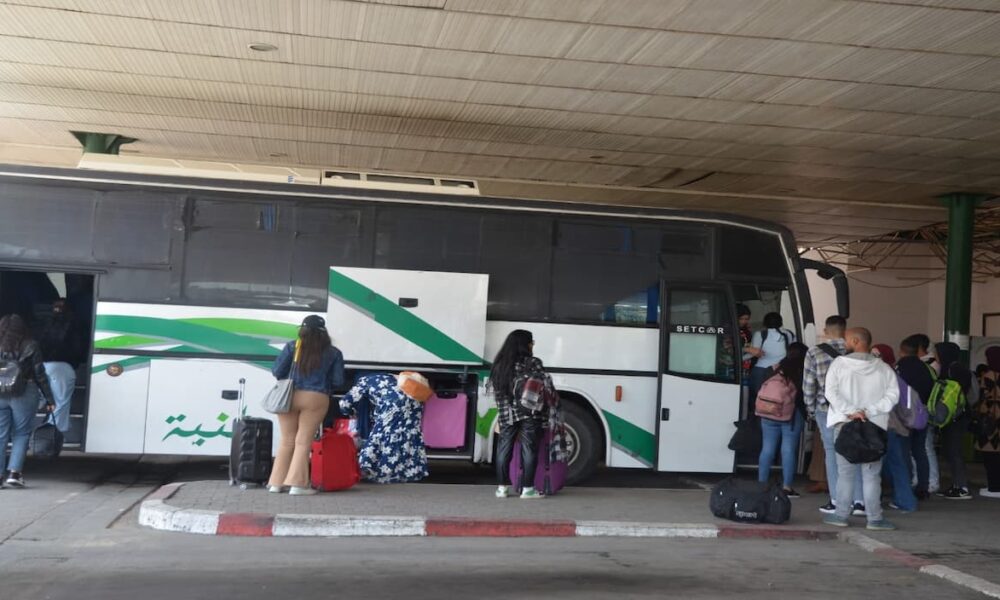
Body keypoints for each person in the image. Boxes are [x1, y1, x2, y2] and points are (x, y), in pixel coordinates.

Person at [822, 327, 899, 531]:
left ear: (856, 341)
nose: (844, 343)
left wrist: (851, 411)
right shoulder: (883, 368)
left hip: (844, 424)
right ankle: (875, 519)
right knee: (872, 475)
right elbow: (893, 396)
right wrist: (869, 411)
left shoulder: (839, 364)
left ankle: (840, 515)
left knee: (845, 474)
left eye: (847, 340)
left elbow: (830, 392)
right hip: (874, 426)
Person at [267, 315, 345, 496]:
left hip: (289, 396)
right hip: (316, 398)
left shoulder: (292, 346)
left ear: (302, 330)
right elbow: (338, 381)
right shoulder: (334, 353)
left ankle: (276, 484)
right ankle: (297, 485)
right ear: (324, 332)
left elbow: (276, 371)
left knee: (286, 440)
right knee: (303, 441)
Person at [803, 316, 863, 515]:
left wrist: (811, 409)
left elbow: (809, 385)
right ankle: (859, 501)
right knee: (855, 452)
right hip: (855, 410)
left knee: (832, 452)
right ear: (845, 331)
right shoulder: (857, 350)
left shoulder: (814, 352)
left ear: (825, 331)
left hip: (826, 409)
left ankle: (837, 500)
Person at [490, 329, 552, 500]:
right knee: (529, 449)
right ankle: (527, 489)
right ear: (526, 344)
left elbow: (497, 391)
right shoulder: (533, 363)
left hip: (506, 413)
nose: (533, 345)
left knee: (504, 449)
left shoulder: (500, 364)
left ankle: (502, 489)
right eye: (532, 342)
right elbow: (543, 385)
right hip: (529, 411)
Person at [339, 372, 431, 484]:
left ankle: (372, 469)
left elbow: (345, 403)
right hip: (415, 402)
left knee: (383, 433)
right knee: (408, 432)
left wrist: (351, 413)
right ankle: (405, 472)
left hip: (392, 408)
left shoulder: (364, 381)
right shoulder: (399, 377)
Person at [0, 314, 56, 488]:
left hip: (0, 392)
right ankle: (14, 474)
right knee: (21, 433)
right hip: (24, 391)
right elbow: (40, 374)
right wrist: (49, 399)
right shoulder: (31, 345)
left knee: (0, 434)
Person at [757, 342, 808, 497]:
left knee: (767, 449)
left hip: (768, 413)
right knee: (788, 450)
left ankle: (762, 485)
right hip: (791, 417)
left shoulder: (772, 369)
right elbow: (802, 398)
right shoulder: (802, 373)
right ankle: (787, 487)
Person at [872, 344, 917, 512]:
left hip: (880, 424)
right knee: (898, 465)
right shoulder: (896, 375)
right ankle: (906, 500)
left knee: (872, 467)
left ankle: (871, 502)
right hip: (896, 426)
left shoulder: (876, 375)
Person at [34, 299, 82, 435]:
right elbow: (78, 349)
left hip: (43, 366)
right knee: (60, 404)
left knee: (42, 400)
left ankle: (37, 430)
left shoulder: (45, 323)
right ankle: (50, 436)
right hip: (63, 368)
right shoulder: (75, 326)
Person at [934, 341, 975, 500]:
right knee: (951, 451)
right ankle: (957, 485)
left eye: (937, 352)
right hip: (956, 415)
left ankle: (962, 487)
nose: (936, 356)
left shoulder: (953, 370)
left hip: (955, 416)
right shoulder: (958, 368)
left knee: (954, 451)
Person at [901, 333, 940, 494]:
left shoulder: (926, 364)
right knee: (922, 448)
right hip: (924, 409)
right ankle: (923, 480)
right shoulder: (928, 365)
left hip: (917, 410)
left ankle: (931, 481)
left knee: (924, 447)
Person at [748, 312, 795, 406]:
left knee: (758, 397)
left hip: (761, 370)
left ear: (764, 323)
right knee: (780, 396)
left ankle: (759, 413)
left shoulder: (760, 334)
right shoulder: (789, 334)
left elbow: (754, 353)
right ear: (781, 322)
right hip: (781, 370)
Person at [975, 347, 1000, 498]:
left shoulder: (989, 376)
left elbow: (983, 399)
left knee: (990, 456)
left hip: (991, 422)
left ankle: (994, 488)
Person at [737, 304, 754, 379]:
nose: (743, 321)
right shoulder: (729, 329)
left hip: (746, 365)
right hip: (734, 365)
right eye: (741, 319)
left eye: (746, 319)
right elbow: (729, 348)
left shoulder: (746, 329)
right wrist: (747, 349)